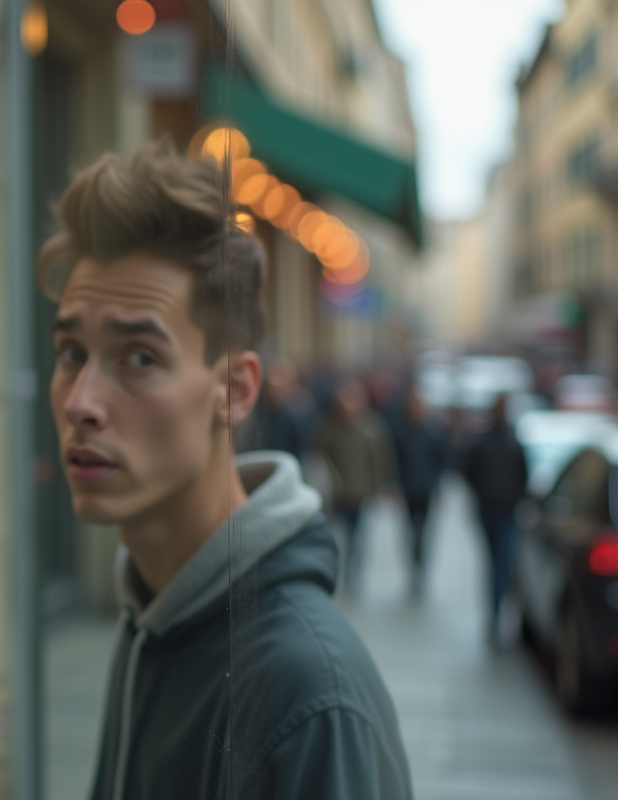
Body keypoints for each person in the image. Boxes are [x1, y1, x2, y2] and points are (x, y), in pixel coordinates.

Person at [39, 141, 411, 800]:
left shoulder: (310, 699)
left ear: (236, 390)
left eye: (140, 358)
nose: (81, 401)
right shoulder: (153, 618)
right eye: (72, 351)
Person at [315, 378, 395, 595]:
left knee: (358, 536)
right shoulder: (330, 427)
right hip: (338, 494)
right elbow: (321, 457)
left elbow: (380, 459)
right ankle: (338, 570)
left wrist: (379, 486)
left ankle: (354, 572)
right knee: (336, 536)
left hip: (361, 493)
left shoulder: (372, 427)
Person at [462, 394, 529, 641]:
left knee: (498, 563)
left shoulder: (509, 441)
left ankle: (496, 614)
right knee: (497, 563)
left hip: (502, 509)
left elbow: (524, 475)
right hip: (493, 509)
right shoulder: (491, 441)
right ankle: (496, 613)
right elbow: (469, 472)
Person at [389, 386, 450, 595]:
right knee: (409, 531)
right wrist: (394, 487)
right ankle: (412, 566)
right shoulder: (400, 432)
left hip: (425, 489)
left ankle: (421, 566)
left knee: (423, 532)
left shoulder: (433, 433)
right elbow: (394, 462)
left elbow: (441, 462)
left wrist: (438, 488)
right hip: (408, 489)